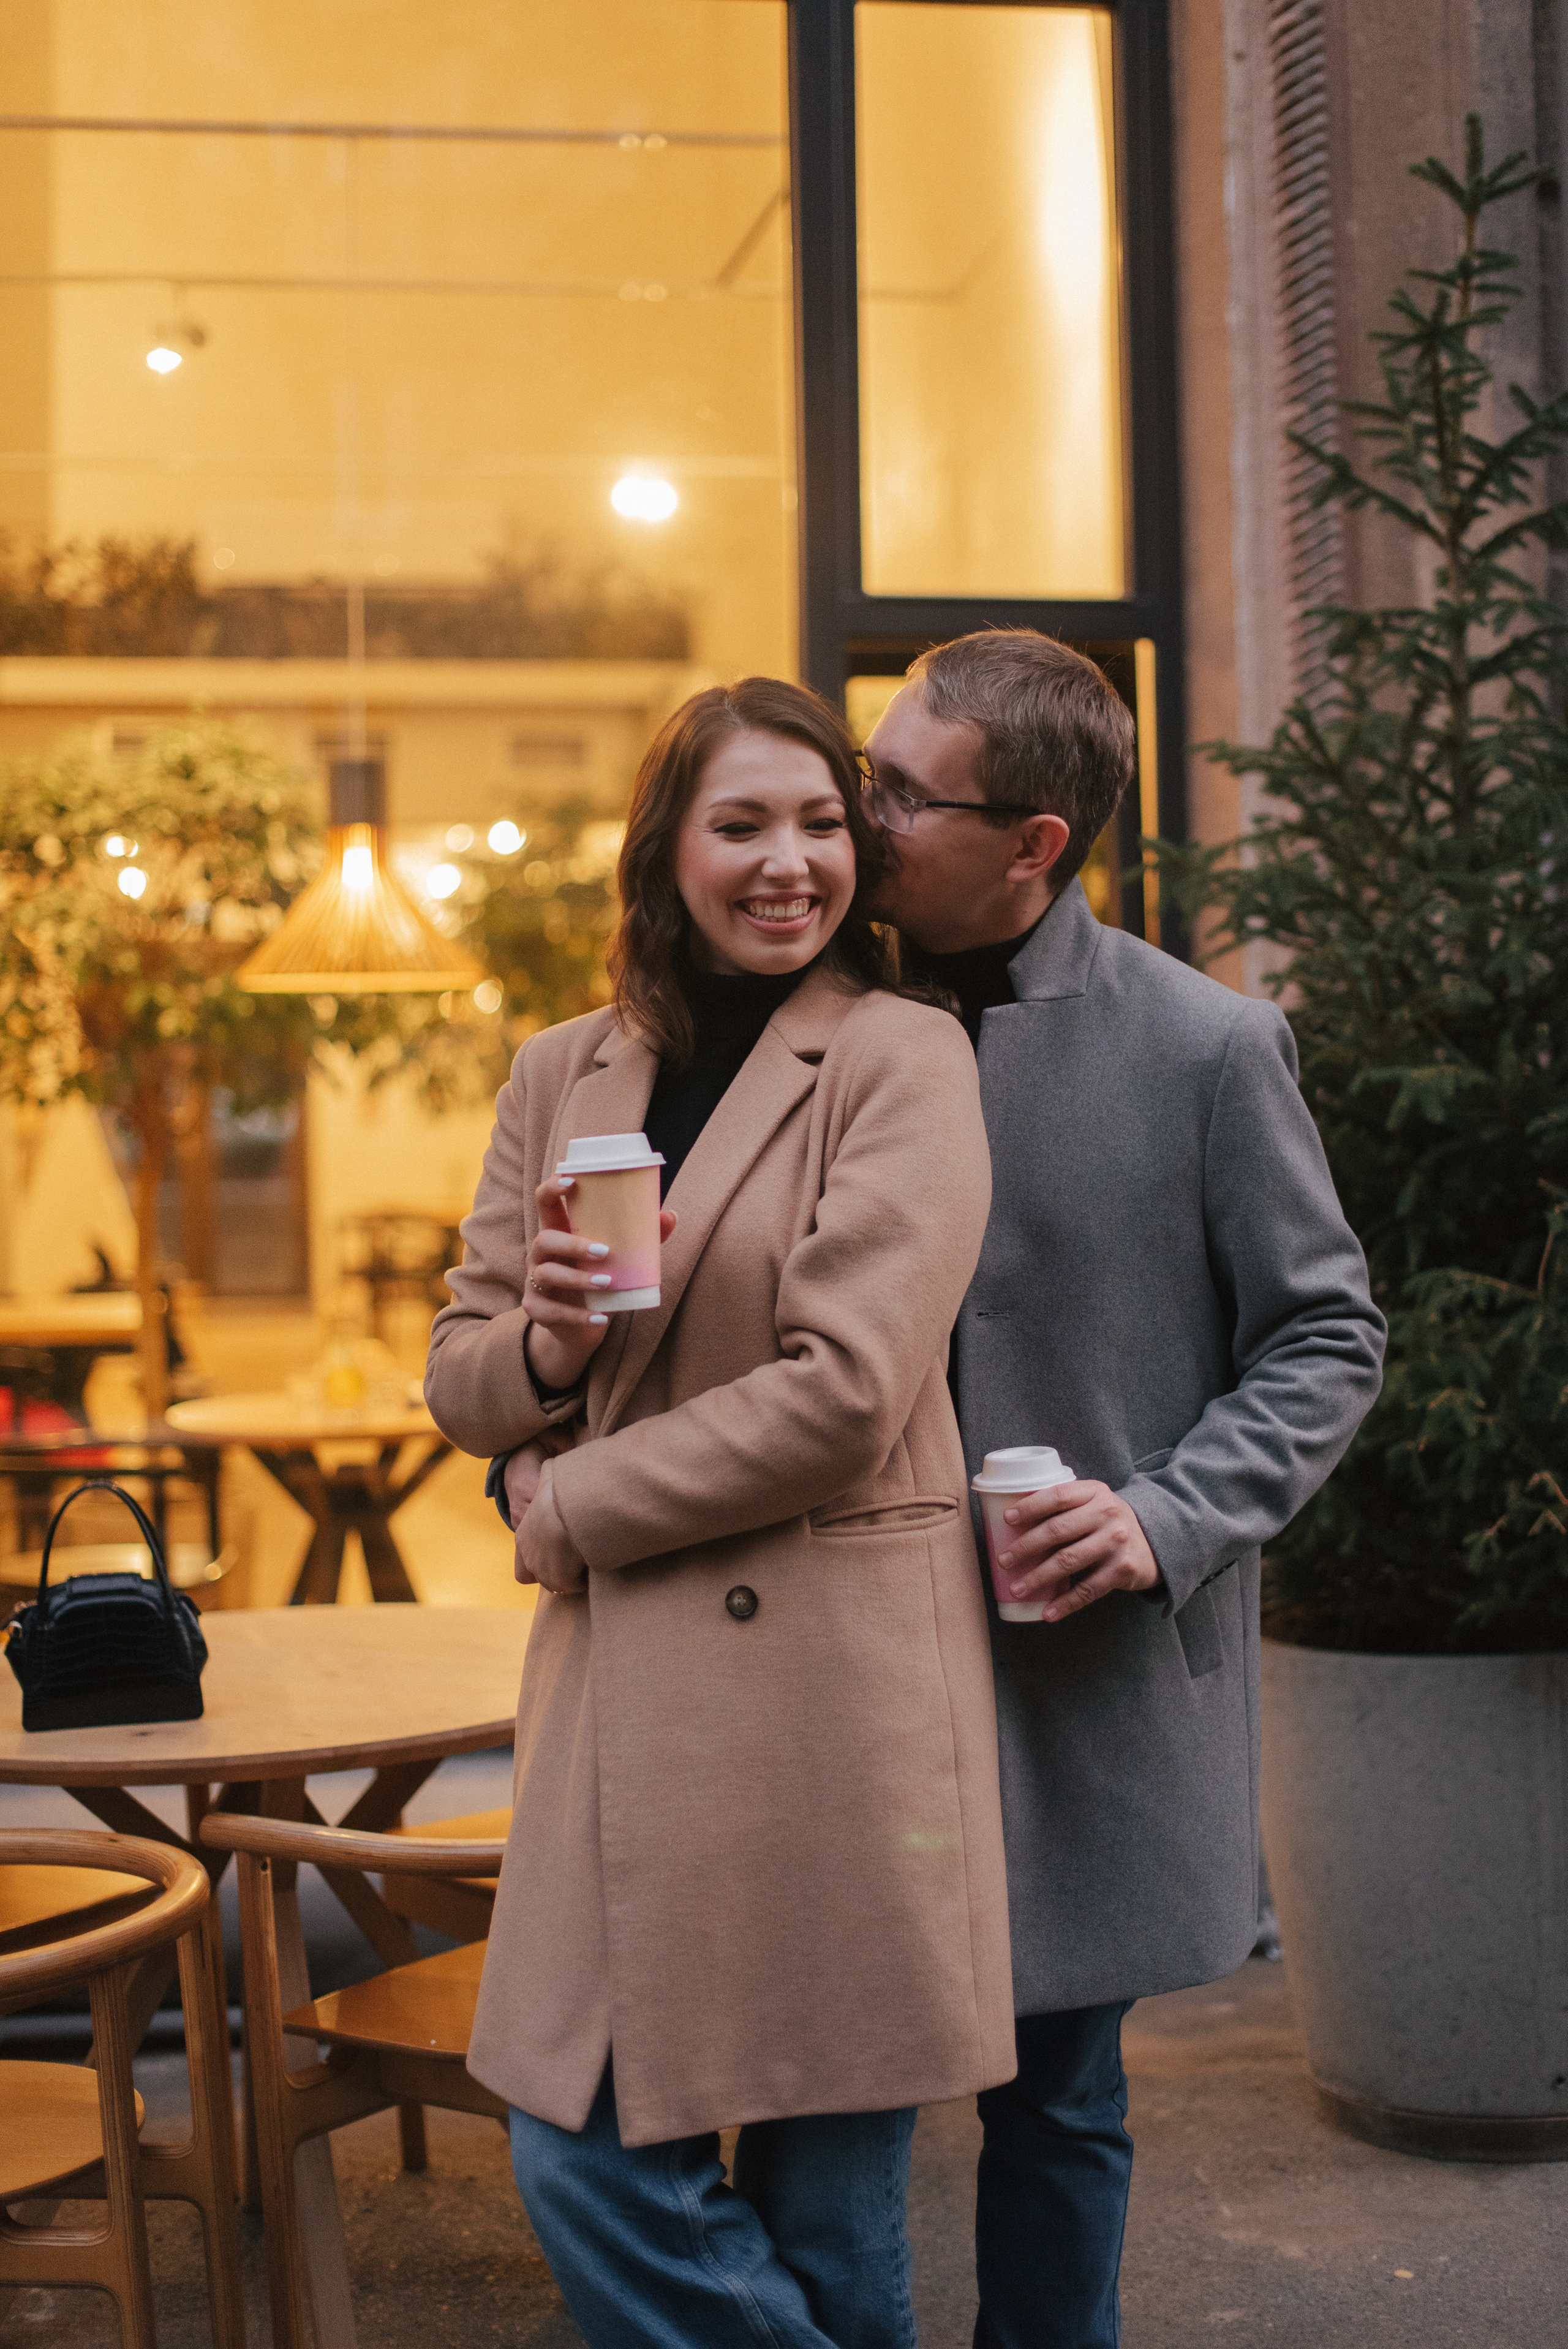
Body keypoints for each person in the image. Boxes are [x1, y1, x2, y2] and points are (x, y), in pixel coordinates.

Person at [424, 675, 1016, 2349]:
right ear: (667, 850)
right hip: (627, 1709)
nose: (788, 862)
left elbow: (846, 1390)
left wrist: (576, 1503)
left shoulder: (905, 1056)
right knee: (582, 2151)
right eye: (742, 823)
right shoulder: (564, 1071)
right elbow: (460, 1370)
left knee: (833, 2207)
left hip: (833, 1694)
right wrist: (542, 1345)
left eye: (822, 823)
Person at [861, 630, 1386, 2349]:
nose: (856, 823)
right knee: (825, 2092)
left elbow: (1325, 1337)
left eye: (901, 795)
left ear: (1037, 843)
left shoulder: (1210, 1048)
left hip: (1073, 1670)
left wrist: (1161, 1516)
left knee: (1060, 2097)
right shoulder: (810, 1013)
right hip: (842, 1655)